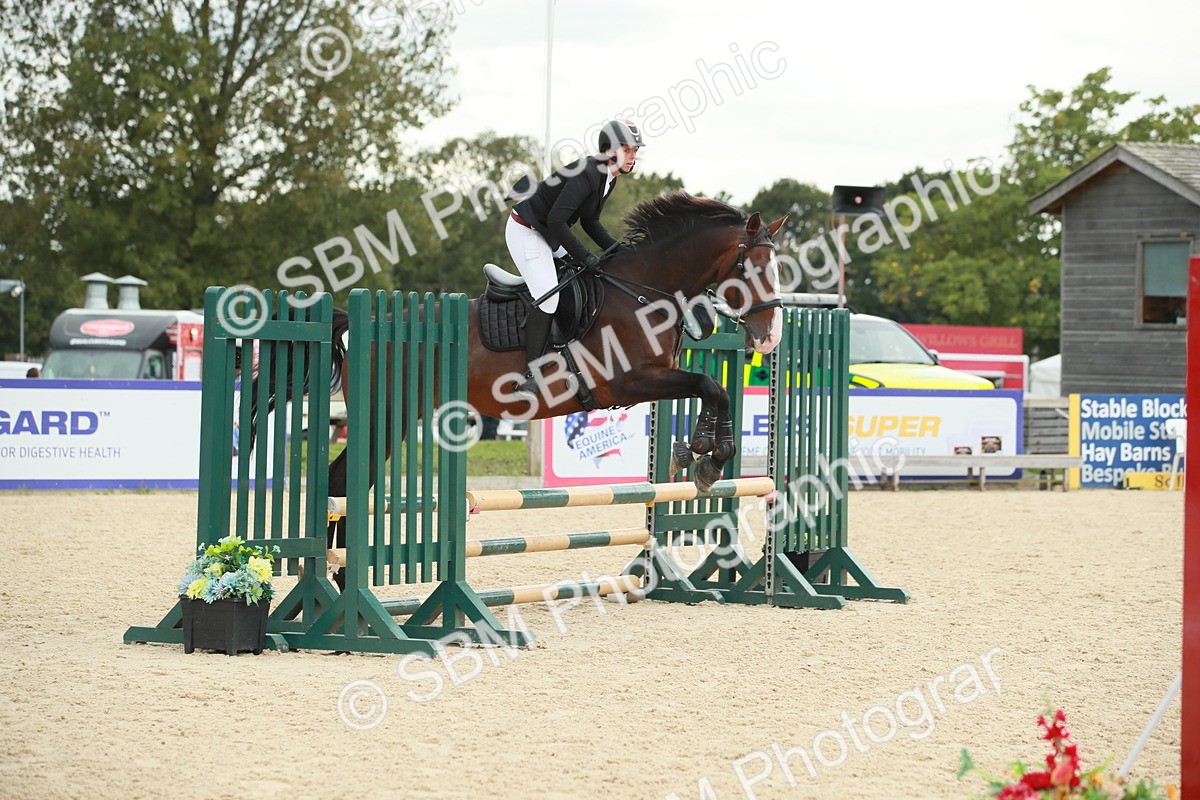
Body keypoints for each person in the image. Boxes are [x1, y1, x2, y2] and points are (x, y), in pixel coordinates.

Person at [506, 118, 645, 398]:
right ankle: (530, 376)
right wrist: (584, 257)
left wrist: (616, 249)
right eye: (628, 150)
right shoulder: (588, 173)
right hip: (526, 230)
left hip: (548, 233)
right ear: (609, 150)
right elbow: (558, 220)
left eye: (635, 150)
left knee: (586, 282)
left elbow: (590, 220)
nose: (633, 155)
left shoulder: (607, 178)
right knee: (549, 296)